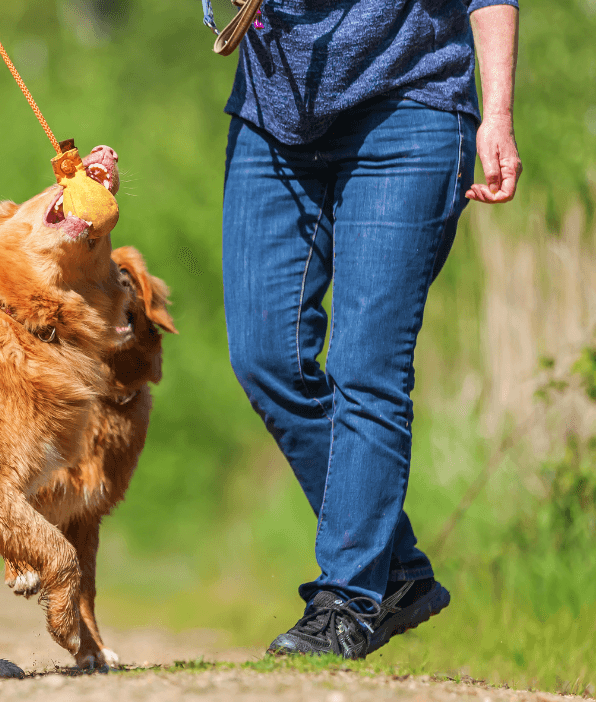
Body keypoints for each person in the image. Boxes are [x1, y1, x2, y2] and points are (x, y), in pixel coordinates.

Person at [219, 0, 521, 658]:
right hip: (274, 115)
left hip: (409, 108)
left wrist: (496, 113)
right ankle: (401, 569)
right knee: (265, 356)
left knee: (367, 365)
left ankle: (350, 600)